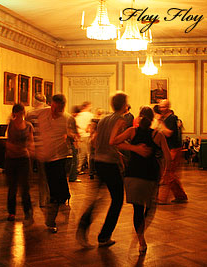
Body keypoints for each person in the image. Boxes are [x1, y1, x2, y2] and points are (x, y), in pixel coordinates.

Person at [76, 92, 150, 248]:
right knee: (116, 200)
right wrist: (135, 148)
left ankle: (83, 227)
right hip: (109, 164)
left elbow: (96, 141)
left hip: (99, 162)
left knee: (98, 198)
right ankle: (103, 236)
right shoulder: (120, 121)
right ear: (124, 105)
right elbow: (114, 141)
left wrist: (116, 154)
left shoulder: (104, 119)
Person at [111, 106, 171, 254]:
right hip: (150, 175)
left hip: (132, 174)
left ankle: (141, 240)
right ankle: (140, 231)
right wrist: (164, 171)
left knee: (137, 209)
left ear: (139, 118)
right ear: (152, 120)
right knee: (150, 208)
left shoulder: (132, 131)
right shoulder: (158, 135)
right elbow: (168, 157)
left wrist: (132, 148)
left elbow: (113, 141)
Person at [36, 94, 70, 233]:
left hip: (60, 157)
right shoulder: (40, 115)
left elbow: (71, 134)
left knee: (56, 190)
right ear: (51, 104)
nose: (56, 111)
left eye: (60, 109)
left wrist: (72, 137)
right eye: (55, 108)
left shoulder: (67, 119)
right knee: (52, 189)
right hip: (45, 157)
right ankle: (50, 219)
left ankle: (51, 220)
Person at [5, 104, 34, 224]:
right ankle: (11, 212)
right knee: (12, 187)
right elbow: (8, 142)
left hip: (23, 158)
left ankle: (27, 211)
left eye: (23, 112)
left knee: (25, 187)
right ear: (15, 113)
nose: (22, 114)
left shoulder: (28, 126)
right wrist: (14, 147)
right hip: (11, 158)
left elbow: (31, 141)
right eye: (20, 112)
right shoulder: (11, 124)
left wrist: (31, 148)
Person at [156, 100, 188, 204]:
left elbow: (169, 133)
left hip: (174, 149)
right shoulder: (168, 119)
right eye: (160, 107)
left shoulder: (171, 118)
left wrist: (160, 123)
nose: (161, 109)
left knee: (168, 174)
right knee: (170, 174)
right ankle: (181, 196)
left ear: (168, 107)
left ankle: (162, 199)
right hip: (170, 149)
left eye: (163, 107)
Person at [25, 94, 50, 207]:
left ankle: (27, 200)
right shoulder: (49, 112)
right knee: (44, 175)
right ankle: (44, 200)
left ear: (34, 101)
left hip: (31, 146)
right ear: (44, 101)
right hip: (45, 146)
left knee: (29, 175)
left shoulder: (30, 113)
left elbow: (27, 129)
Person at [75, 101, 94, 175]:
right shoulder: (90, 115)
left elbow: (75, 125)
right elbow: (90, 126)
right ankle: (91, 170)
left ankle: (78, 169)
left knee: (81, 154)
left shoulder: (78, 116)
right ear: (87, 106)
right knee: (89, 153)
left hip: (80, 135)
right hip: (88, 135)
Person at [68, 105, 81, 182]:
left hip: (72, 141)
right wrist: (75, 139)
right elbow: (70, 131)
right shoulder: (71, 119)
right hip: (73, 142)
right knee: (75, 160)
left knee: (75, 159)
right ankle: (73, 177)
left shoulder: (70, 118)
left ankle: (73, 177)